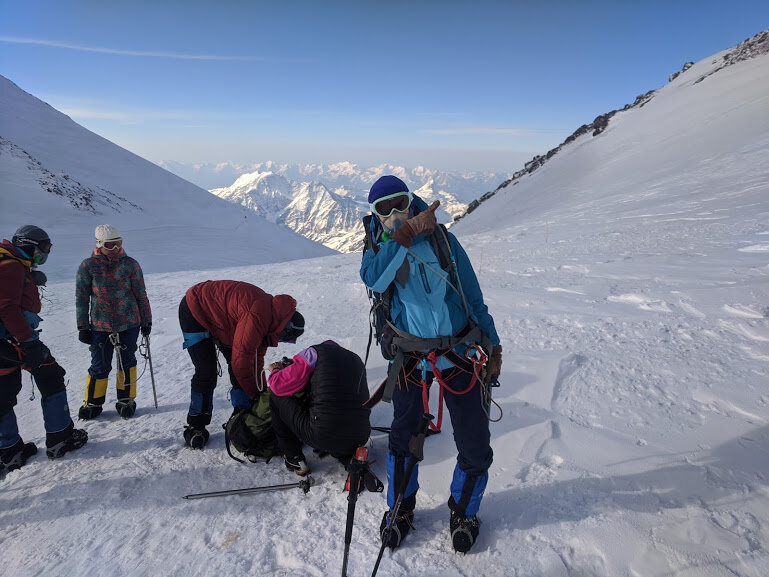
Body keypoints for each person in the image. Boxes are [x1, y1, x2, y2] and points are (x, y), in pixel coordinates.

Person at [359, 175, 503, 553]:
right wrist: (401, 237)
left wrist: (494, 344)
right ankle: (400, 510)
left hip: (459, 353)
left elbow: (473, 297)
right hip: (411, 359)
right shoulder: (378, 248)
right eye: (383, 208)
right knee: (403, 439)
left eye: (399, 203)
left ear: (411, 200)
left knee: (474, 442)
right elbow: (374, 280)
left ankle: (464, 511)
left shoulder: (443, 241)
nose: (393, 213)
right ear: (374, 214)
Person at [0, 225, 88, 471]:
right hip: (10, 339)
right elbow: (6, 308)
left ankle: (9, 451)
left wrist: (29, 276)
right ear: (29, 245)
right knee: (51, 374)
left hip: (5, 341)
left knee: (3, 389)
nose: (46, 253)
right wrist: (28, 343)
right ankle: (61, 438)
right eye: (44, 248)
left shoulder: (11, 262)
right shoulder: (11, 266)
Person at [179, 280, 304, 449]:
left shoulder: (272, 321)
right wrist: (254, 395)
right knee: (207, 372)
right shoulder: (259, 315)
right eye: (287, 339)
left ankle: (242, 416)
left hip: (223, 321)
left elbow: (255, 360)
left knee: (240, 368)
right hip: (195, 308)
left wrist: (258, 396)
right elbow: (241, 363)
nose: (283, 342)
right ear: (285, 328)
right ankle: (196, 427)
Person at [76, 225, 152, 419]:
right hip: (100, 326)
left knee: (127, 362)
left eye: (119, 244)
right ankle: (93, 402)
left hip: (130, 323)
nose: (116, 249)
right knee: (99, 364)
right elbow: (82, 298)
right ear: (100, 244)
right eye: (111, 245)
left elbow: (141, 294)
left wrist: (146, 320)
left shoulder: (130, 265)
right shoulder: (88, 266)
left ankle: (126, 400)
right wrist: (82, 326)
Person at [268, 340, 371, 476]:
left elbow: (278, 384)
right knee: (339, 422)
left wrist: (276, 369)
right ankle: (351, 461)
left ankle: (294, 458)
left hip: (323, 433)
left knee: (275, 395)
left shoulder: (313, 354)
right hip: (361, 434)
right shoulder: (356, 359)